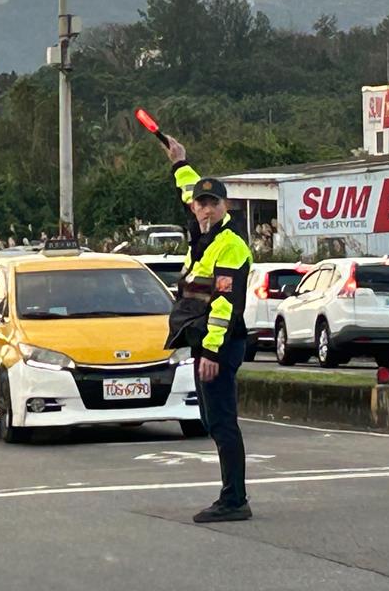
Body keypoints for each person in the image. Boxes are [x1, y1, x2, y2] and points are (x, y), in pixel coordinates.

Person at [162, 136, 253, 523]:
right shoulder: (202, 237)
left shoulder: (230, 245)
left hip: (221, 344)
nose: (205, 208)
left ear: (225, 206)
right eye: (201, 202)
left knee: (222, 422)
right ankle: (232, 496)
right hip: (206, 343)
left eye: (213, 202)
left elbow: (224, 305)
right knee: (215, 421)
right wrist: (180, 162)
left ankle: (234, 500)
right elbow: (187, 191)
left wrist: (212, 353)